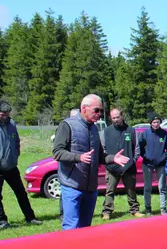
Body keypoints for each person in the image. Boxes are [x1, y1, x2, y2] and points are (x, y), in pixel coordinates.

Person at [53, 94, 130, 230]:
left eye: (101, 111)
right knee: (71, 228)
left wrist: (113, 158)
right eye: (96, 110)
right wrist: (79, 157)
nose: (99, 114)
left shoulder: (94, 128)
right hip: (72, 186)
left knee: (85, 229)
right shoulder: (67, 125)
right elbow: (57, 152)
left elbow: (100, 156)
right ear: (84, 108)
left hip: (90, 189)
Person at [0, 100, 42, 229]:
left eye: (7, 114)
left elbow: (16, 141)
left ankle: (30, 217)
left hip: (11, 166)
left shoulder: (11, 124)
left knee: (21, 192)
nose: (5, 117)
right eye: (3, 114)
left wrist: (16, 154)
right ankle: (2, 221)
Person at [101, 108, 143, 220]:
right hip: (111, 167)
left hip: (128, 167)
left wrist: (133, 160)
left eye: (117, 117)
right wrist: (108, 160)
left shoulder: (131, 130)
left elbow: (137, 148)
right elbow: (103, 149)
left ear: (122, 116)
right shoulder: (106, 131)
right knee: (109, 190)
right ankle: (107, 211)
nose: (115, 120)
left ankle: (134, 209)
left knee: (131, 190)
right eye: (113, 118)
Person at [138, 113, 167, 215]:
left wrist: (165, 156)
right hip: (147, 164)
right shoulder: (145, 134)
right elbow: (140, 147)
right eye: (154, 122)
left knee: (162, 187)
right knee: (147, 187)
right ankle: (148, 208)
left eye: (158, 122)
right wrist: (145, 156)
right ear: (150, 123)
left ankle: (163, 208)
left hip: (161, 164)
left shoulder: (164, 134)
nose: (156, 124)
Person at [59, 108, 79, 222]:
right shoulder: (64, 128)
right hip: (67, 172)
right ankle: (63, 214)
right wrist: (76, 157)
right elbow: (58, 151)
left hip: (80, 173)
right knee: (66, 195)